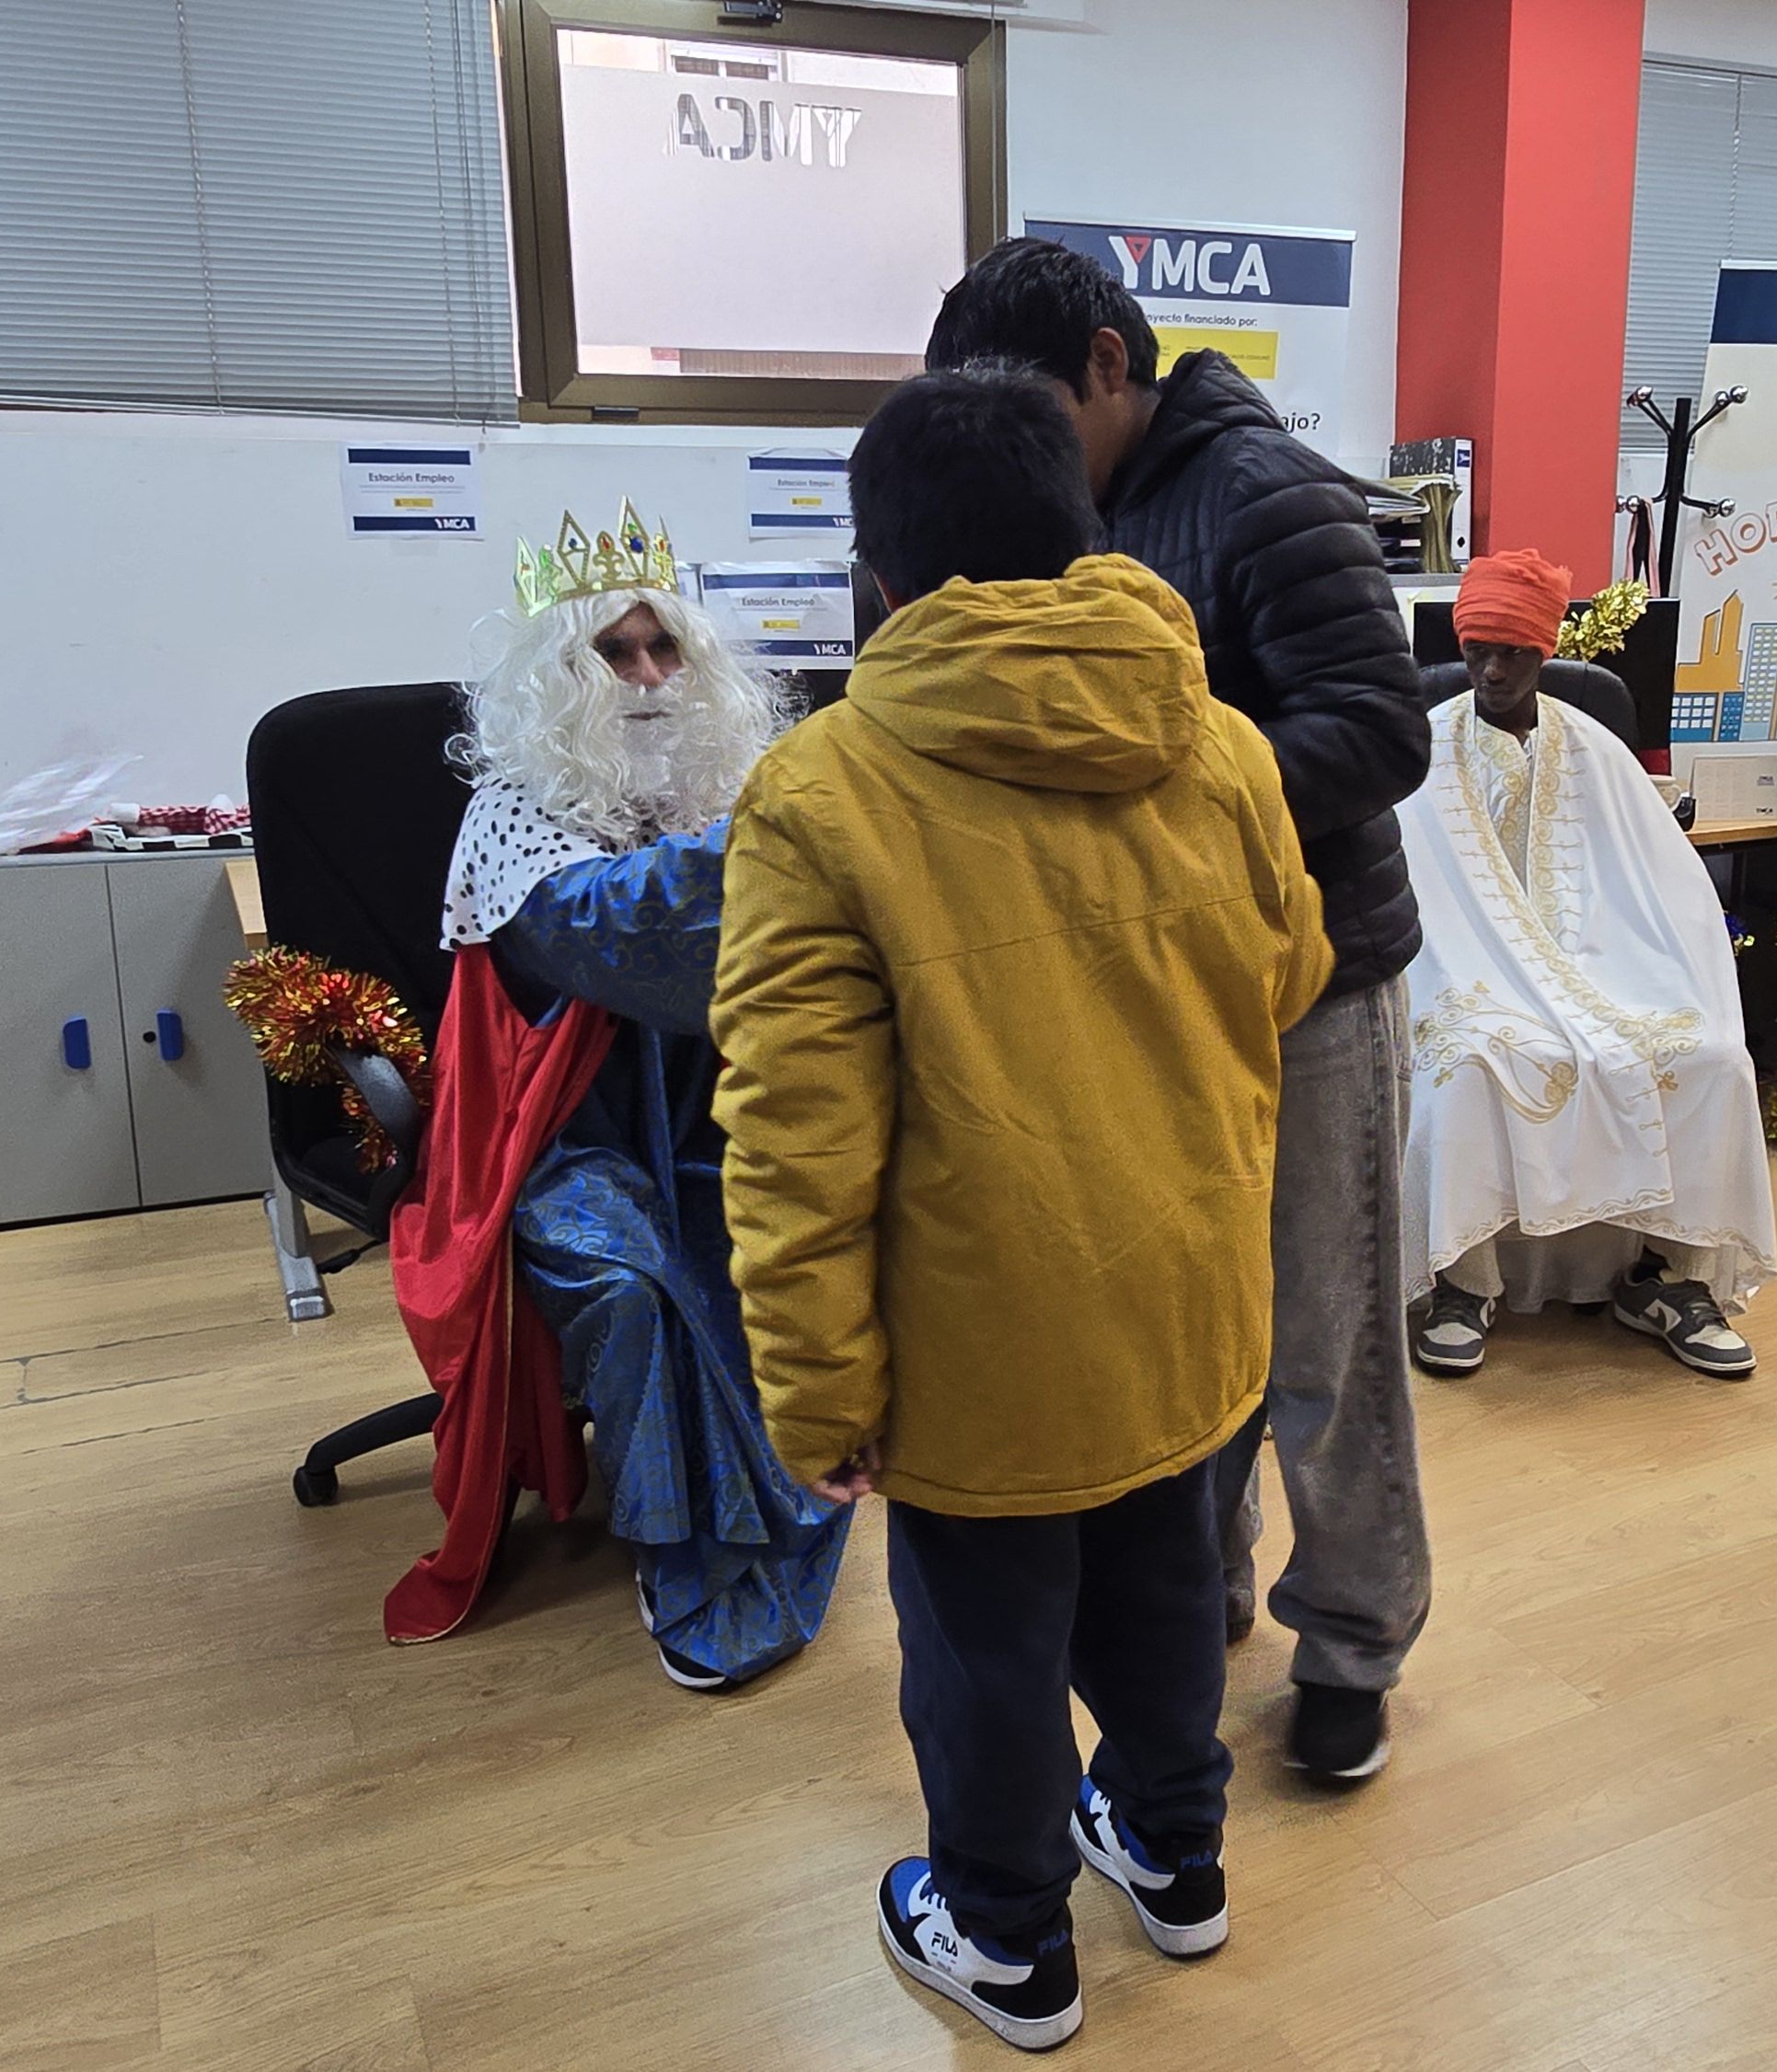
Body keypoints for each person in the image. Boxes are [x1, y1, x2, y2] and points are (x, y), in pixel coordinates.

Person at [713, 366, 1329, 2052]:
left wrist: (820, 1389)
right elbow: (1297, 971)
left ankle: (1007, 1942)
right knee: (1159, 1595)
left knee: (984, 1649)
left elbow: (793, 1137)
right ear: (1083, 529)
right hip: (1192, 1286)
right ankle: (1178, 1862)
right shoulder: (1215, 741)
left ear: (882, 575)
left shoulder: (820, 792)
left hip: (982, 1336)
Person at [927, 236, 1433, 1783]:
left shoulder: (1264, 489)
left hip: (1317, 981)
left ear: (1101, 361)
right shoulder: (1085, 502)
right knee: (1191, 1320)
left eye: (1022, 402)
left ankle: (1350, 1637)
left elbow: (1381, 729)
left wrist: (1181, 797)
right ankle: (1207, 1584)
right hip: (1172, 988)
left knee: (1323, 1339)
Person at [383, 504, 847, 1689]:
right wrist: (790, 822)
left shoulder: (729, 796)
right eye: (614, 652)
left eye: (664, 649)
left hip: (722, 1127)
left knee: (795, 1236)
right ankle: (674, 1537)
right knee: (634, 1284)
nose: (645, 677)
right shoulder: (515, 821)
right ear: (560, 676)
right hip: (558, 1153)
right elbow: (624, 935)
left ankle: (793, 1479)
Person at [1395, 550, 1777, 1379]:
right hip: (1465, 974)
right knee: (1470, 1066)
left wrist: (1655, 976)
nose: (1494, 671)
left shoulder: (1596, 747)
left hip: (1606, 972)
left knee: (1711, 1059)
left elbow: (1659, 880)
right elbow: (1413, 882)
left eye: (1515, 654)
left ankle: (1667, 1281)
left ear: (1545, 653)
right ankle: (1466, 1283)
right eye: (1477, 654)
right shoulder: (1419, 745)